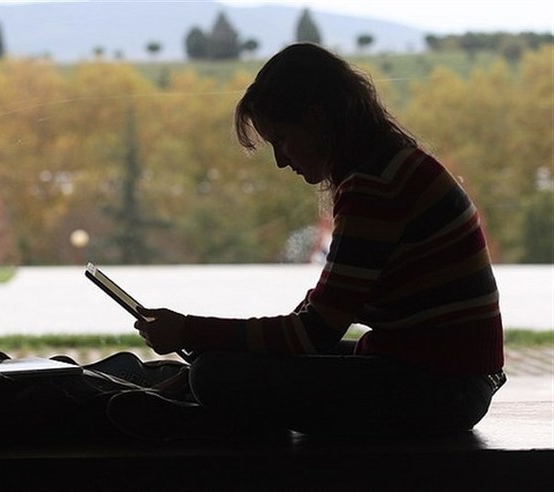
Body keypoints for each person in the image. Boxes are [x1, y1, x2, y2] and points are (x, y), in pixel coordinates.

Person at [106, 42, 506, 440]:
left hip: (442, 391)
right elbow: (320, 315)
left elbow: (312, 334)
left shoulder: (372, 189)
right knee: (216, 366)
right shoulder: (389, 168)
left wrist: (191, 332)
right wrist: (215, 348)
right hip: (445, 378)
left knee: (217, 375)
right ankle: (206, 406)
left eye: (280, 139)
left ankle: (203, 419)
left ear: (316, 120)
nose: (281, 159)